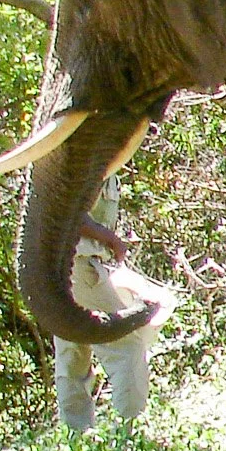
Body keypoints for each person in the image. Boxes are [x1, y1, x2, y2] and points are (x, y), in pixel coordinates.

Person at [52, 176, 174, 433]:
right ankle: (131, 434)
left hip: (73, 269)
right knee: (125, 347)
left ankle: (77, 436)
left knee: (72, 354)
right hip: (79, 268)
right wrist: (111, 240)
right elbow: (68, 211)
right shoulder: (87, 158)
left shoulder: (107, 169)